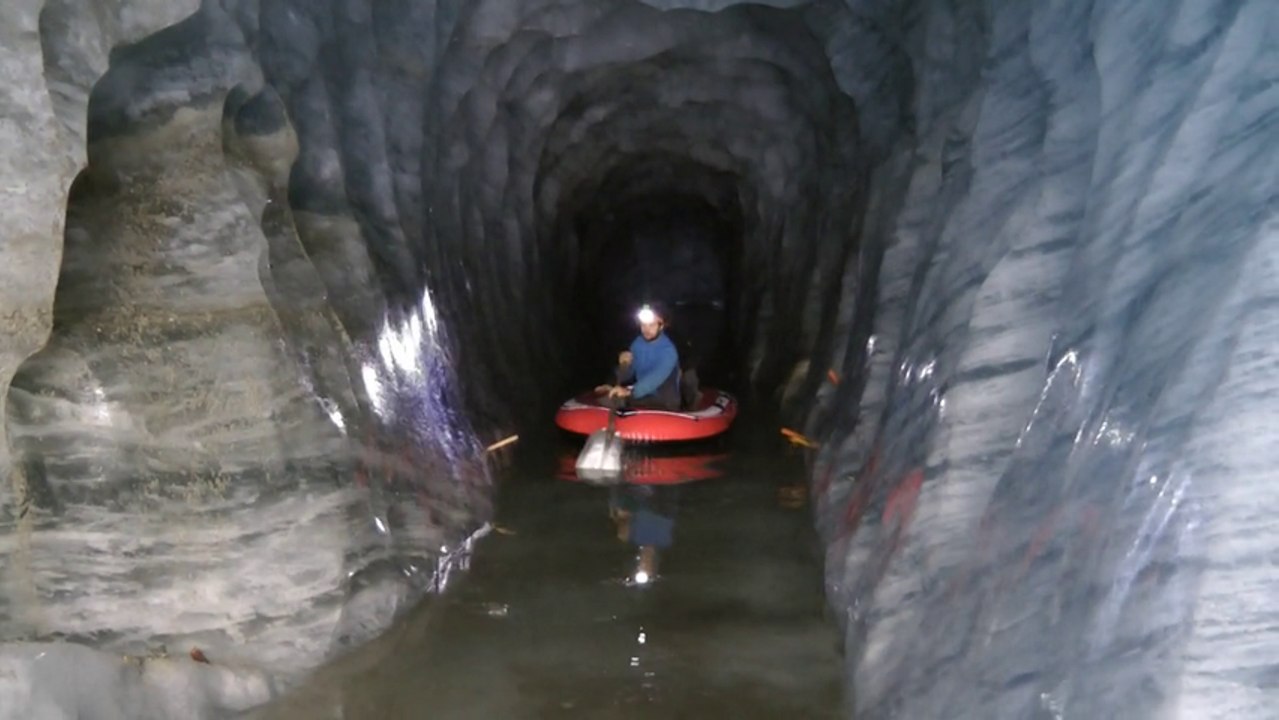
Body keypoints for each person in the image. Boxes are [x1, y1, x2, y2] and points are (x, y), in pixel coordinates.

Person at [595, 304, 681, 410]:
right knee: (608, 398)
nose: (646, 329)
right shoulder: (637, 343)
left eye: (651, 325)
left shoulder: (669, 350)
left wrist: (630, 391)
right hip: (643, 394)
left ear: (661, 325)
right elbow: (630, 371)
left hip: (665, 401)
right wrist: (614, 379)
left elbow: (654, 379)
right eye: (643, 325)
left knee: (618, 400)